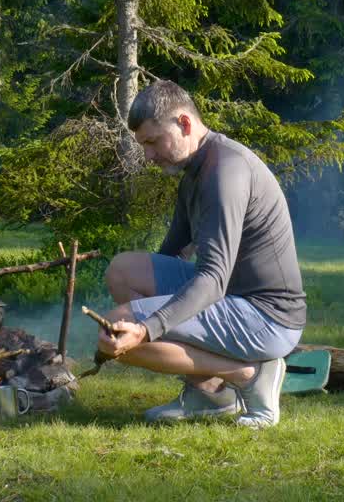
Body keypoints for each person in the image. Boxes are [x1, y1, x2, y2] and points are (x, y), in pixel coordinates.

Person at [98, 79, 305, 428]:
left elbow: (212, 279)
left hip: (269, 317)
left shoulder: (225, 172)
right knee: (122, 271)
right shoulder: (194, 173)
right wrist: (149, 314)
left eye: (152, 141)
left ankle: (248, 374)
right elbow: (170, 253)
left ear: (184, 123)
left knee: (122, 330)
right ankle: (210, 392)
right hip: (232, 297)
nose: (148, 156)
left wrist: (148, 328)